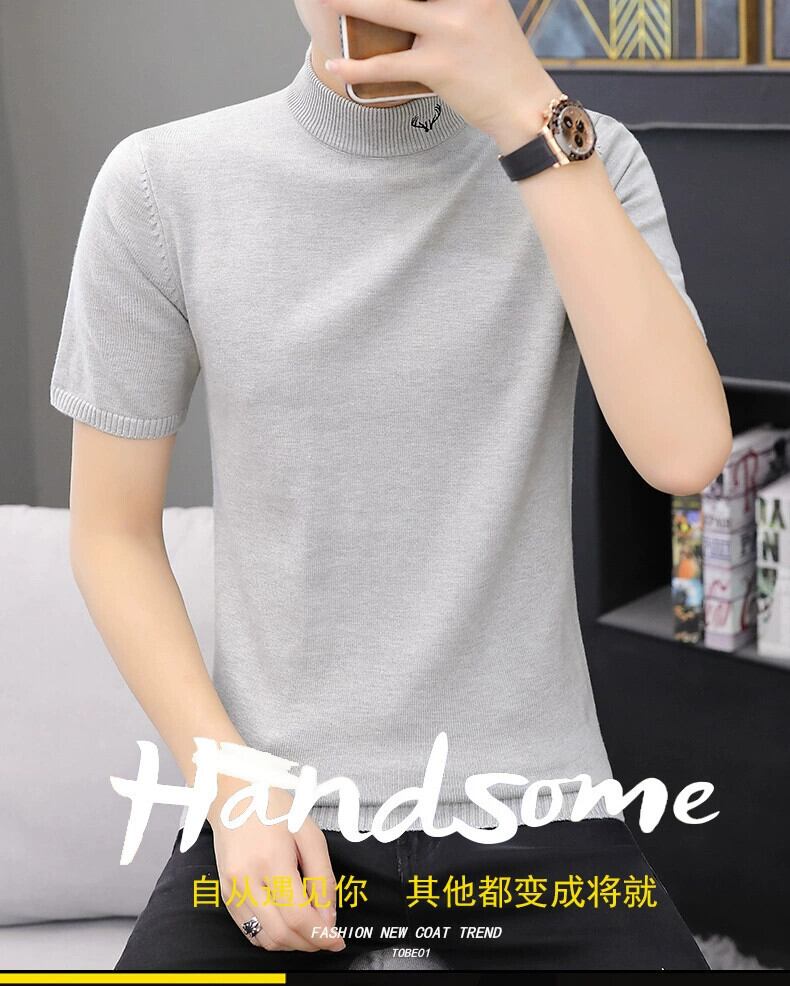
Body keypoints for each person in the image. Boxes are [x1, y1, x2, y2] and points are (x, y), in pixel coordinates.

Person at [49, 0, 730, 973]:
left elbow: (684, 453)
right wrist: (229, 780)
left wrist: (528, 115)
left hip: (543, 807)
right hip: (276, 809)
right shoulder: (163, 185)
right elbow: (111, 532)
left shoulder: (586, 157)